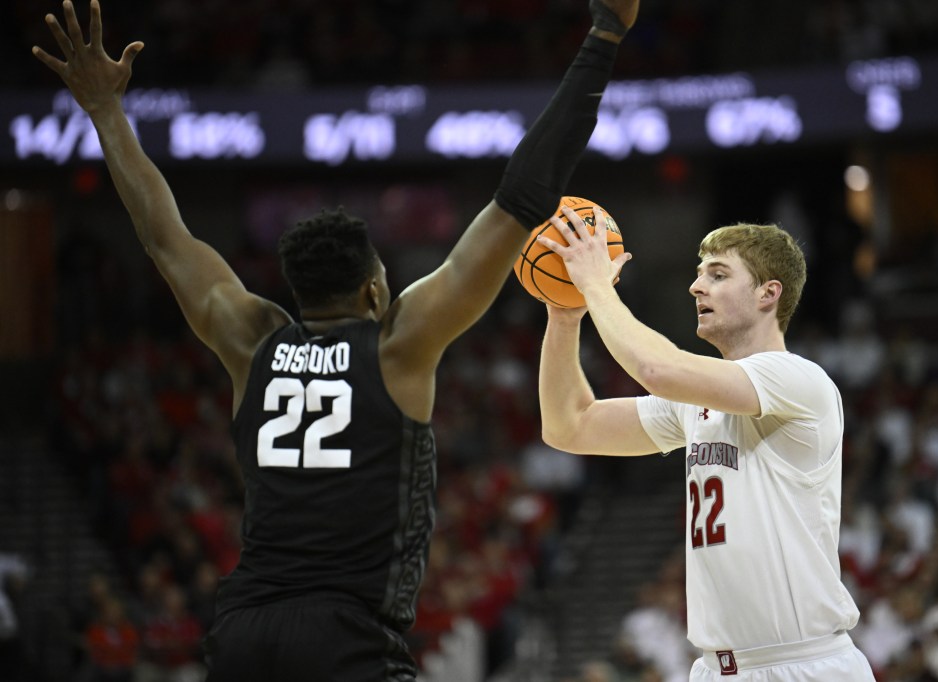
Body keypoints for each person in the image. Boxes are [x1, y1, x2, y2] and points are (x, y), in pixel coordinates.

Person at [33, 0, 639, 679]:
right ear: (375, 291)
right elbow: (523, 197)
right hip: (347, 637)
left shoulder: (248, 338)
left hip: (245, 632)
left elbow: (163, 236)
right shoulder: (400, 344)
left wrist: (107, 114)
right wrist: (604, 37)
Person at [535, 211, 876, 680]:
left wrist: (597, 286)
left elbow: (658, 369)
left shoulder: (798, 378)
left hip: (802, 664)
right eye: (698, 276)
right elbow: (568, 426)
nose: (697, 287)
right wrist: (565, 314)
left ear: (768, 294)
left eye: (717, 275)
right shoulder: (692, 404)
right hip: (716, 669)